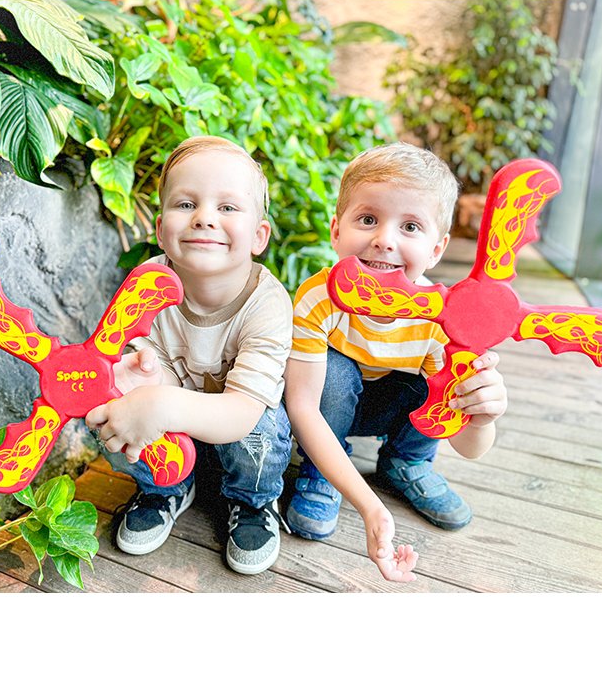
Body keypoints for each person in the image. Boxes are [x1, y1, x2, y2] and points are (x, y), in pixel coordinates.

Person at [285, 142, 509, 582]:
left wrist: (482, 416)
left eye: (410, 226)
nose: (384, 240)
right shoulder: (317, 298)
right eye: (368, 219)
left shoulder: (442, 320)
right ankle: (323, 470)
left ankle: (407, 461)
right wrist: (368, 504)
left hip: (399, 406)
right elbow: (302, 408)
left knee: (437, 379)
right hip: (329, 410)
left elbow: (469, 446)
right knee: (334, 371)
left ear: (437, 249)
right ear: (336, 231)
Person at [85, 136, 293, 575]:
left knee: (263, 427)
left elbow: (241, 413)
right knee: (111, 407)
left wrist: (160, 403)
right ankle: (164, 487)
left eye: (228, 207)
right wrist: (138, 379)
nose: (204, 218)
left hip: (239, 425)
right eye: (186, 204)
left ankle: (253, 501)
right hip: (177, 423)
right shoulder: (147, 284)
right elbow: (148, 368)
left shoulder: (268, 303)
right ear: (161, 230)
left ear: (259, 236)